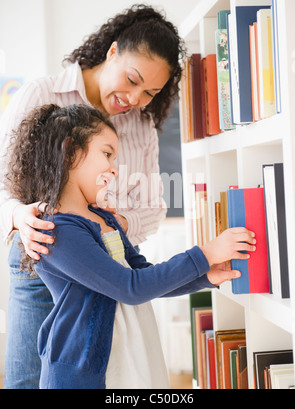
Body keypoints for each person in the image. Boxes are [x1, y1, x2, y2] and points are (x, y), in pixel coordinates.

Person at [5, 103, 256, 389]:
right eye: (107, 154)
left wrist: (204, 276)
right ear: (70, 151)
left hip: (130, 356)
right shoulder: (58, 230)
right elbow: (129, 287)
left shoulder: (104, 218)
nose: (114, 168)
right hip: (85, 375)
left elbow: (143, 274)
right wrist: (206, 253)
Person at [0, 4, 186, 389]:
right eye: (132, 80)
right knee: (26, 378)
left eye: (150, 92)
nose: (135, 99)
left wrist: (110, 226)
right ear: (113, 51)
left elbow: (152, 207)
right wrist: (18, 215)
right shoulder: (43, 92)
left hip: (106, 264)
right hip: (40, 251)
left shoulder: (142, 127)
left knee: (98, 375)